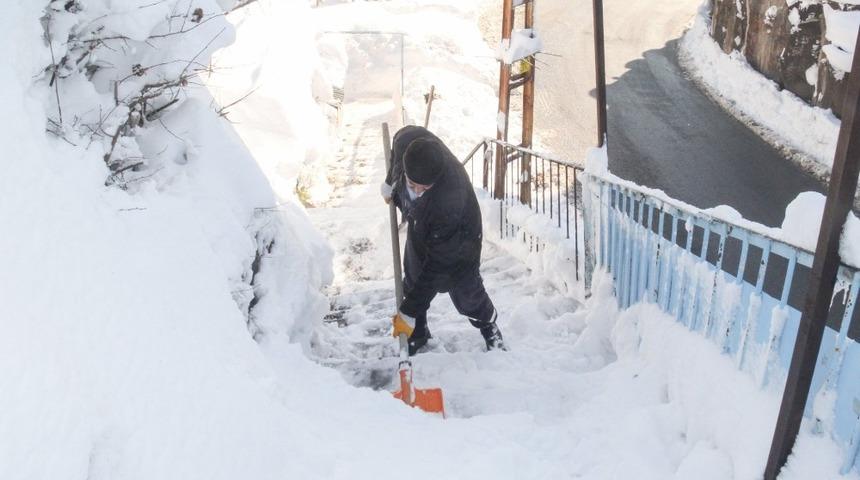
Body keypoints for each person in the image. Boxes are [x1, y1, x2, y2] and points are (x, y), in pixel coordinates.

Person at [381, 126, 505, 355]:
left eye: (425, 187)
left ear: (435, 181)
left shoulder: (450, 198)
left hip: (460, 237)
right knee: (413, 274)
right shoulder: (406, 144)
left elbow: (438, 265)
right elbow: (401, 138)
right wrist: (390, 183)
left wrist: (408, 311)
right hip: (421, 221)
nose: (418, 191)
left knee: (465, 289)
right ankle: (418, 332)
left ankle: (489, 326)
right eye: (412, 185)